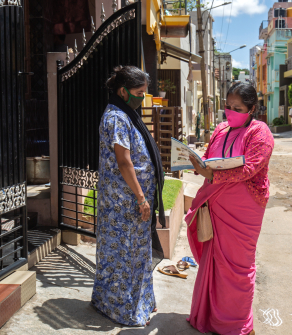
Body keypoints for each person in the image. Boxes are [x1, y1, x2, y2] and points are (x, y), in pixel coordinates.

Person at [186, 82, 274, 335]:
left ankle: (236, 325)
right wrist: (198, 165)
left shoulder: (260, 132)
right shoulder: (221, 129)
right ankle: (211, 318)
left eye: (238, 108)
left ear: (252, 108)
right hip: (216, 202)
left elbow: (250, 168)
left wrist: (212, 176)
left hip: (244, 207)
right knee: (214, 262)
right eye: (227, 106)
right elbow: (209, 159)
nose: (230, 111)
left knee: (238, 267)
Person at [91, 65, 165, 327]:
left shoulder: (126, 113)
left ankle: (139, 302)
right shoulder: (117, 118)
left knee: (135, 255)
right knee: (123, 256)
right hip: (124, 203)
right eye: (139, 92)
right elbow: (124, 162)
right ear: (123, 91)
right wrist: (141, 198)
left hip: (130, 202)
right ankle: (123, 310)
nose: (142, 97)